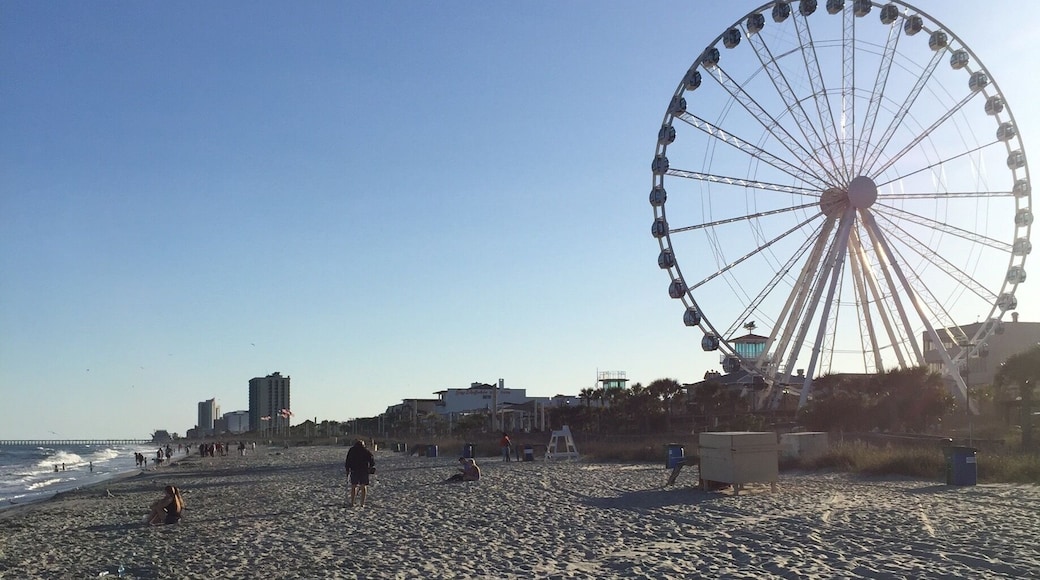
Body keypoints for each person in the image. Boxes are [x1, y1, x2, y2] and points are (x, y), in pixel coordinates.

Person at [344, 439, 375, 507]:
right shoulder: (365, 450)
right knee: (363, 486)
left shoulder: (352, 450)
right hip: (364, 470)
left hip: (354, 470)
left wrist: (347, 470)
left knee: (354, 486)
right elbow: (372, 460)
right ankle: (362, 503)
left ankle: (352, 502)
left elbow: (348, 460)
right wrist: (370, 467)